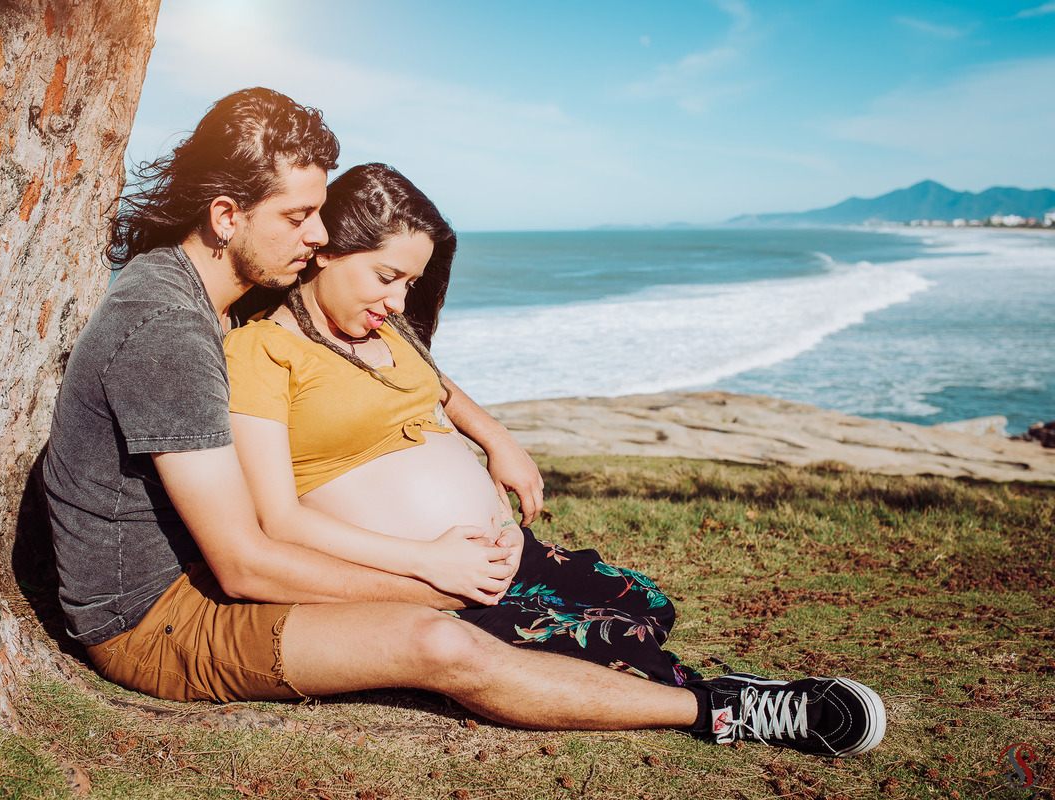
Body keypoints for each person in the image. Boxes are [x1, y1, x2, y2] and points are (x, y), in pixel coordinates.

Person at [43, 86, 886, 758]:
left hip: (203, 578)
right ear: (227, 217)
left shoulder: (202, 297)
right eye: (298, 219)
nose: (319, 235)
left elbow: (377, 368)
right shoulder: (169, 330)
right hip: (159, 623)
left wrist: (482, 454)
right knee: (440, 646)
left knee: (520, 619)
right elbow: (244, 563)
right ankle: (725, 710)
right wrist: (437, 582)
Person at [224, 162, 697, 686]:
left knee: (649, 605)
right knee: (634, 660)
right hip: (425, 581)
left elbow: (438, 387)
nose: (398, 302)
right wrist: (428, 560)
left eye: (410, 283)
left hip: (502, 555)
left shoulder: (382, 329)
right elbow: (279, 520)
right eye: (386, 277)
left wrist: (496, 441)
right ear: (327, 251)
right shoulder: (262, 351)